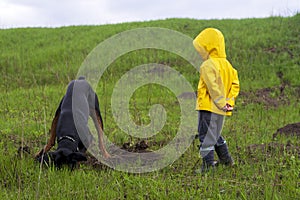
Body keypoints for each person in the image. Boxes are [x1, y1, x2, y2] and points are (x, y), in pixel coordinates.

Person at [192, 28, 240, 173]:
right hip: (222, 108)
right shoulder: (228, 65)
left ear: (208, 47)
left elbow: (213, 87)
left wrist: (219, 102)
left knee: (205, 135)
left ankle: (207, 166)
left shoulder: (207, 65)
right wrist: (228, 103)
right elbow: (235, 85)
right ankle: (227, 161)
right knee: (214, 133)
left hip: (208, 107)